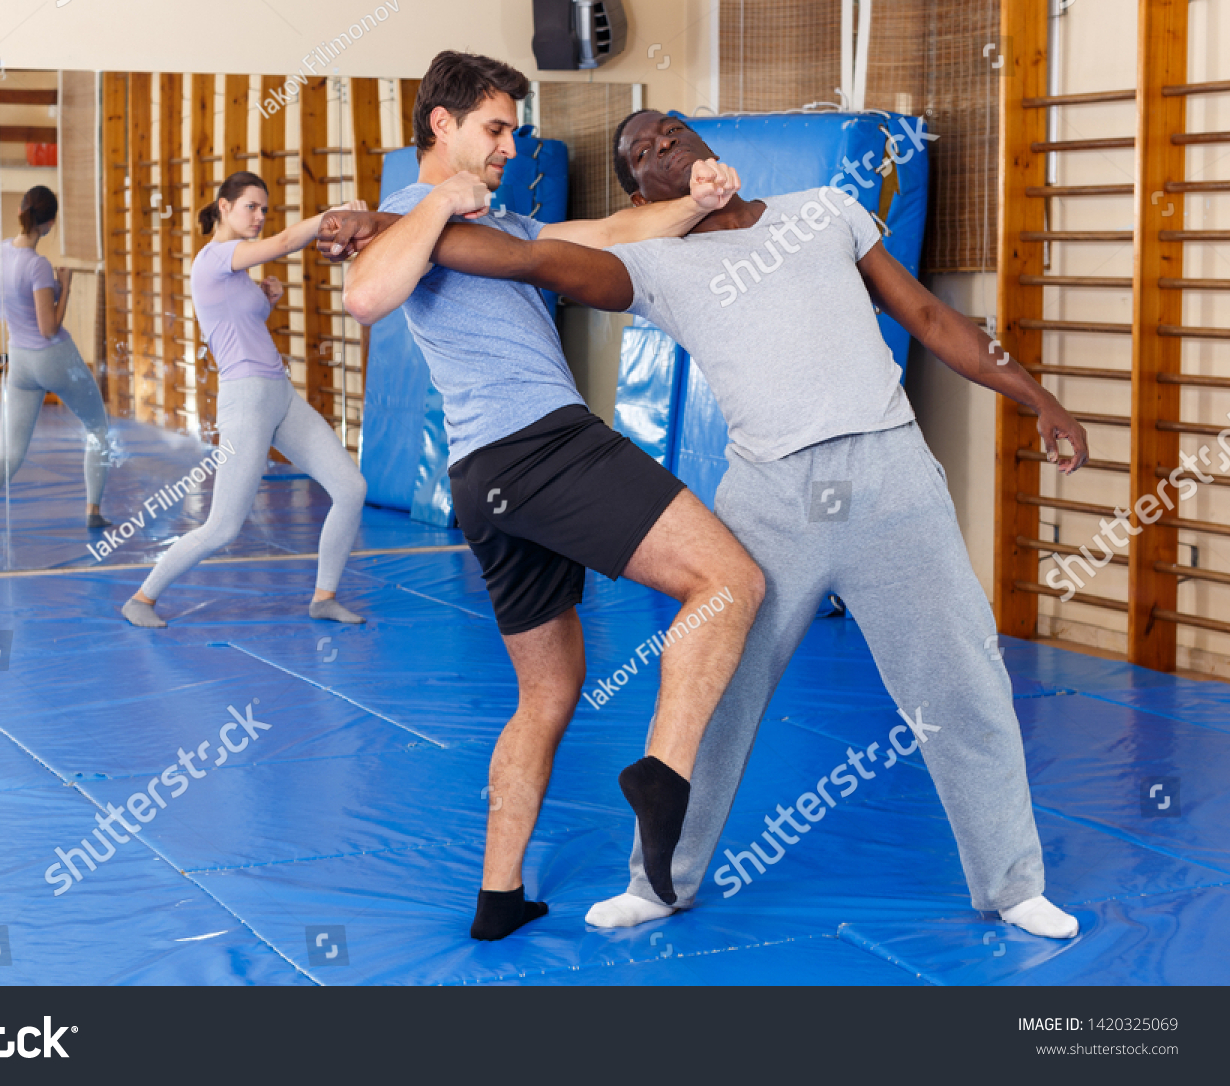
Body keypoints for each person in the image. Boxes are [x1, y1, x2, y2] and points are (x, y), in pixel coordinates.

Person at [322, 109, 1089, 942]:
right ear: (642, 193)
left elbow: (934, 323)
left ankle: (1013, 885)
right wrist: (389, 224)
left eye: (669, 131)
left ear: (707, 146)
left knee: (963, 682)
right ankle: (660, 882)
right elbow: (523, 256)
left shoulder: (824, 209)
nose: (660, 146)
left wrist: (1039, 399)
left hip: (890, 478)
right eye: (641, 153)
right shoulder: (654, 265)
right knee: (716, 693)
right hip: (771, 496)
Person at [334, 52, 767, 942]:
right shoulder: (417, 223)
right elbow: (367, 295)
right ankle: (664, 776)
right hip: (539, 448)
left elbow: (609, 231)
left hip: (487, 482)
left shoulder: (507, 223)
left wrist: (695, 200)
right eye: (494, 130)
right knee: (731, 581)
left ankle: (499, 895)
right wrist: (435, 202)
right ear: (441, 126)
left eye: (513, 132)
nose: (508, 148)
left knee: (550, 689)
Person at [121, 174, 369, 629]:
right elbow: (286, 240)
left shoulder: (236, 269)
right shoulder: (216, 258)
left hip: (278, 395)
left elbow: (239, 326)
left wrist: (267, 301)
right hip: (246, 401)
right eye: (251, 207)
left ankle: (324, 596)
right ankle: (142, 598)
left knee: (351, 489)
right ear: (223, 207)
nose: (258, 217)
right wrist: (333, 218)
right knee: (223, 527)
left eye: (263, 210)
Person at [0, 185, 111, 539]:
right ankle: (93, 510)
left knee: (8, 453)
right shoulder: (37, 265)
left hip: (21, 362)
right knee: (98, 429)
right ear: (51, 223)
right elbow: (48, 327)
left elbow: (6, 309)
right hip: (53, 357)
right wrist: (65, 287)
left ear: (22, 211)